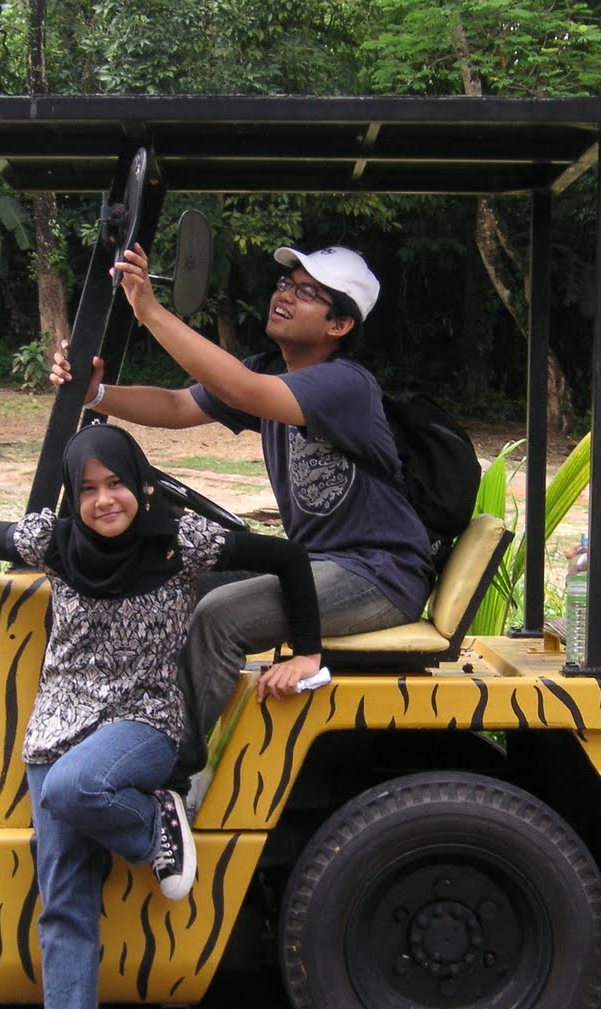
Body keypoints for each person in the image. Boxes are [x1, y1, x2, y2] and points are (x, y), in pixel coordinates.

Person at [0, 423, 323, 1009]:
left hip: (145, 723)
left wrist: (305, 652)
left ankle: (158, 821)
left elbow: (287, 557)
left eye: (116, 484)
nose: (104, 501)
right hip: (56, 726)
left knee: (73, 789)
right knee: (64, 911)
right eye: (87, 490)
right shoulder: (55, 543)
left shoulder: (182, 541)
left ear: (141, 483)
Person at [49, 242, 433, 785]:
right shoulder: (271, 372)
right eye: (285, 284)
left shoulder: (345, 384)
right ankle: (126, 724)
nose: (285, 295)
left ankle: (168, 775)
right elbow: (180, 406)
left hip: (379, 573)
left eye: (308, 293)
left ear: (340, 324)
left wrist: (150, 311)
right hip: (316, 563)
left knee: (219, 616)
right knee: (178, 580)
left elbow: (241, 389)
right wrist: (98, 393)